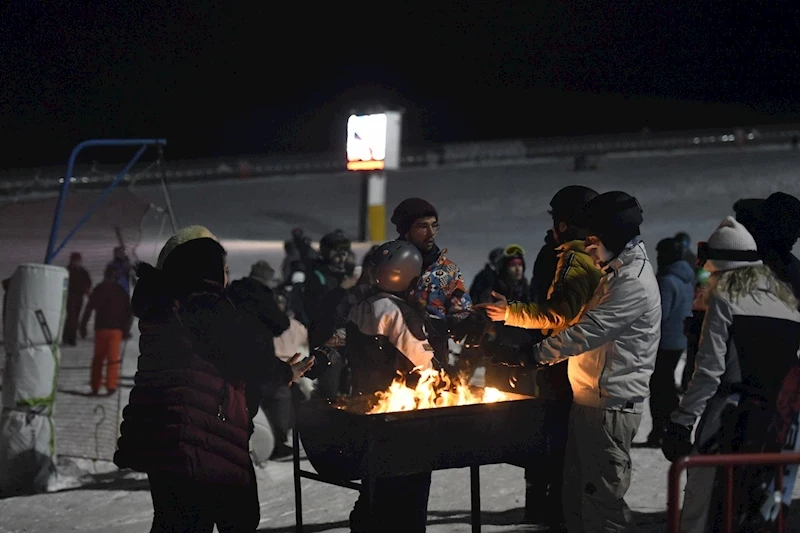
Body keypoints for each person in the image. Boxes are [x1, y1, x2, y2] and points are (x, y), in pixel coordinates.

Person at [114, 227, 313, 533]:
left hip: (165, 437)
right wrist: (284, 372)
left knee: (174, 520)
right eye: (223, 269)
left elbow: (221, 352)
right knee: (229, 519)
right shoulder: (203, 303)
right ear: (204, 269)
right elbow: (245, 353)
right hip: (202, 434)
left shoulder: (165, 307)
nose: (227, 277)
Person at [529, 191, 660, 533]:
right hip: (590, 402)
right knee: (577, 502)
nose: (587, 247)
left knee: (602, 507)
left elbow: (587, 333)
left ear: (613, 236)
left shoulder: (632, 283)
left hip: (610, 409)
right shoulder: (615, 274)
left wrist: (532, 354)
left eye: (593, 239)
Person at [662, 216, 800, 533]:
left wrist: (682, 420)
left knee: (701, 506)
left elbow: (710, 371)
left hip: (727, 418)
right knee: (749, 511)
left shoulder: (725, 299)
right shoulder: (787, 304)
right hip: (774, 424)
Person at [475, 184, 602, 529]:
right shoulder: (590, 254)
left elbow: (556, 315)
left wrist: (512, 318)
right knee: (560, 448)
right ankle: (546, 505)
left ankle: (550, 510)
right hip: (574, 367)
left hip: (568, 366)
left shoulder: (576, 258)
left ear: (563, 223)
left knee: (560, 446)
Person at [346, 240, 435, 533]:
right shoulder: (398, 312)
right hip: (401, 420)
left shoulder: (361, 307)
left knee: (375, 492)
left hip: (366, 410)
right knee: (408, 498)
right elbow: (423, 364)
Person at [390, 197, 472, 367]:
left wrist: (466, 322)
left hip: (434, 357)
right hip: (391, 357)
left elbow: (461, 308)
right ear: (405, 231)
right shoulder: (387, 263)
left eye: (434, 225)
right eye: (422, 226)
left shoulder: (447, 270)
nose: (431, 233)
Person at [644, 237, 694, 446]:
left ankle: (661, 430)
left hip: (663, 342)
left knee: (659, 387)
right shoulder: (685, 278)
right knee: (665, 385)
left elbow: (658, 313)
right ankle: (669, 427)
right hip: (678, 340)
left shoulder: (666, 280)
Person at [79, 265, 133, 395]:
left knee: (98, 359)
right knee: (113, 359)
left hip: (101, 328)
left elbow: (89, 307)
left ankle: (95, 385)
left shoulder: (99, 289)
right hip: (116, 330)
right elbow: (129, 312)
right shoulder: (121, 291)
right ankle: (111, 385)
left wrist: (83, 325)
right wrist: (126, 330)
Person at [63, 252, 92, 346]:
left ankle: (67, 336)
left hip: (79, 297)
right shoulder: (66, 271)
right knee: (72, 317)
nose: (77, 262)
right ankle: (70, 338)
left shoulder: (83, 271)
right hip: (70, 296)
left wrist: (87, 291)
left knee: (74, 317)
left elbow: (88, 283)